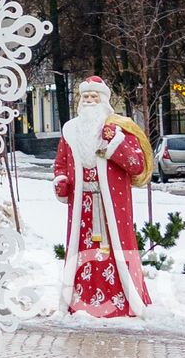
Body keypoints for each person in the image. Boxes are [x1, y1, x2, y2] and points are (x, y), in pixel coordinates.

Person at [54, 77, 152, 318]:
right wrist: (62, 181)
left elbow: (137, 165)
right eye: (85, 97)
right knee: (82, 250)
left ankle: (121, 300)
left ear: (104, 100)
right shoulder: (70, 131)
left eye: (94, 97)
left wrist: (113, 145)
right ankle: (81, 301)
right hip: (82, 206)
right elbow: (61, 164)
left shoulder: (119, 129)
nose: (89, 101)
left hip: (112, 206)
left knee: (114, 248)